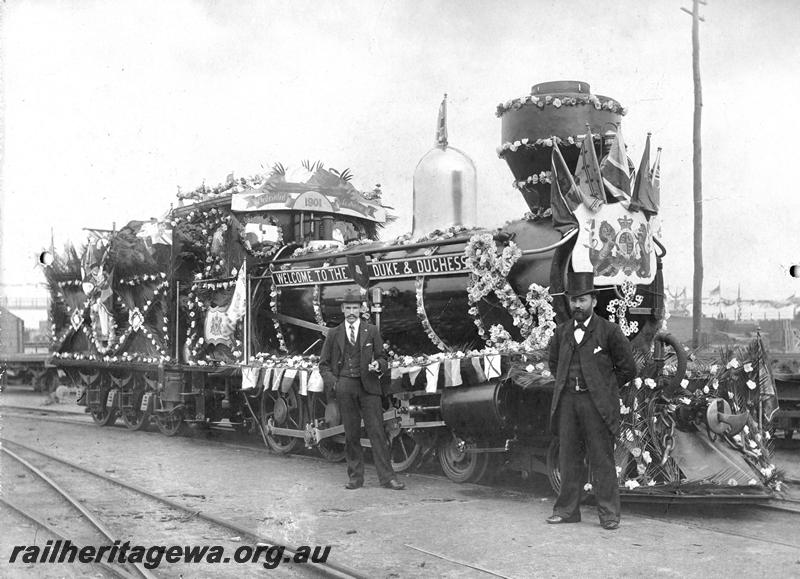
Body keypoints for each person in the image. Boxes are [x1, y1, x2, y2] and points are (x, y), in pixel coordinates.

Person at [546, 272, 635, 530]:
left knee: (602, 459)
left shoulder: (609, 331)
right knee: (568, 458)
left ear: (593, 301)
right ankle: (566, 511)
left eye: (582, 300)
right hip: (568, 404)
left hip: (596, 405)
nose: (577, 306)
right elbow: (554, 363)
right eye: (573, 300)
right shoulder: (562, 332)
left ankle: (609, 515)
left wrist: (603, 388)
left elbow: (628, 368)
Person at [318, 289, 405, 490]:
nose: (351, 311)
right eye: (348, 307)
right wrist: (336, 383)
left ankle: (387, 478)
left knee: (378, 433)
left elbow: (383, 357)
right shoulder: (334, 333)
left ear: (361, 309)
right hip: (345, 386)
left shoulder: (371, 331)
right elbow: (323, 365)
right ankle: (355, 478)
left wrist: (379, 365)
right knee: (352, 434)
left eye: (355, 308)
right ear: (342, 309)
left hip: (369, 387)